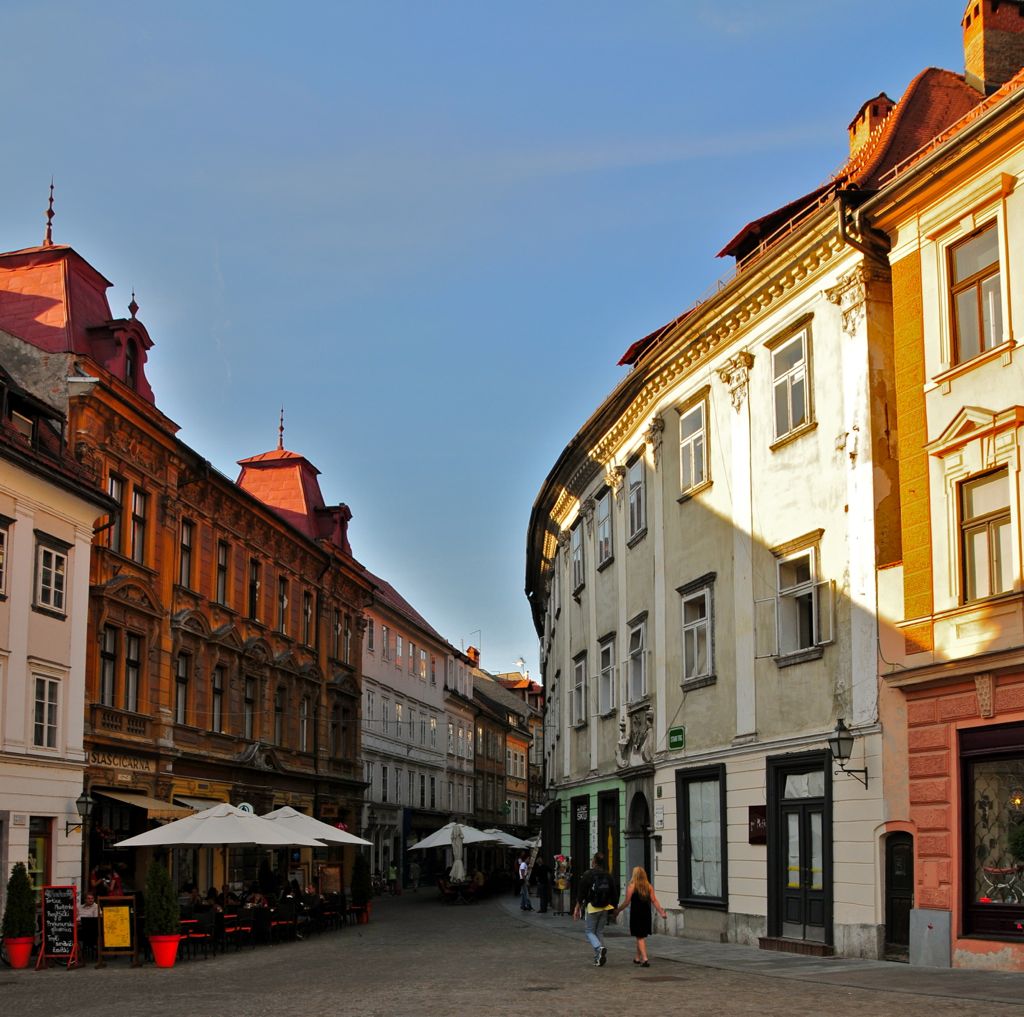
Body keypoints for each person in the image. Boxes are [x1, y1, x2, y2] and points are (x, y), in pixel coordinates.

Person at [614, 866, 667, 966]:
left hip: (636, 913)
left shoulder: (632, 886)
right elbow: (654, 900)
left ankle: (645, 959)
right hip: (646, 913)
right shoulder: (649, 886)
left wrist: (618, 910)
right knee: (640, 935)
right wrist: (661, 912)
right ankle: (637, 958)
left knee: (640, 937)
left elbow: (626, 902)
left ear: (635, 875)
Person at [573, 852, 618, 966]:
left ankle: (599, 948)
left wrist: (577, 907)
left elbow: (581, 892)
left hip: (592, 907)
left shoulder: (588, 874)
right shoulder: (608, 875)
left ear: (594, 861)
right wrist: (614, 909)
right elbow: (614, 893)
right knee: (599, 932)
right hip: (604, 907)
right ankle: (598, 957)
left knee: (589, 931)